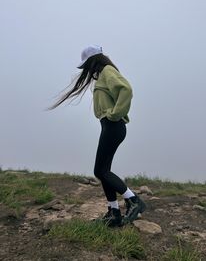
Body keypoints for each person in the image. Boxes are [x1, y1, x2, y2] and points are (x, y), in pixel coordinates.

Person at [48, 45, 146, 227]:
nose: (86, 70)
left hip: (113, 125)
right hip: (109, 126)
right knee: (104, 171)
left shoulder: (108, 71)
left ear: (94, 61)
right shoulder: (102, 75)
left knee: (99, 171)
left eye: (87, 65)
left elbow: (126, 89)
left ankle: (133, 200)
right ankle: (113, 213)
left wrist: (115, 114)